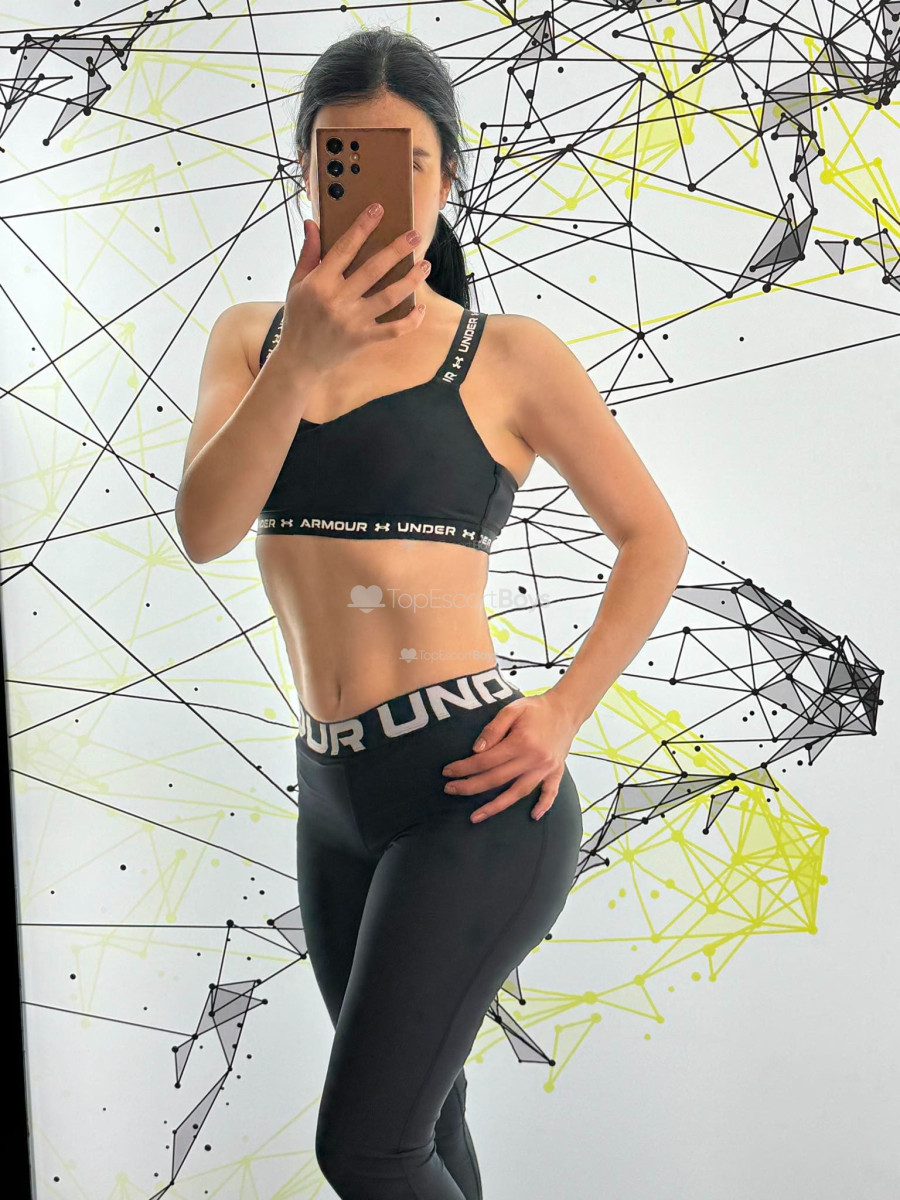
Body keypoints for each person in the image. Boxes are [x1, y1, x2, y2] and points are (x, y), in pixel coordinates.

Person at [175, 26, 688, 1200]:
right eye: (342, 157)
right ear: (307, 169)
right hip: (331, 800)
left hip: (473, 792)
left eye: (407, 160)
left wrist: (564, 711)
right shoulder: (250, 341)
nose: (374, 186)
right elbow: (206, 527)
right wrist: (300, 361)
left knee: (366, 1148)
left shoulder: (508, 356)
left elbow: (652, 540)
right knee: (424, 1130)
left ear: (448, 174)